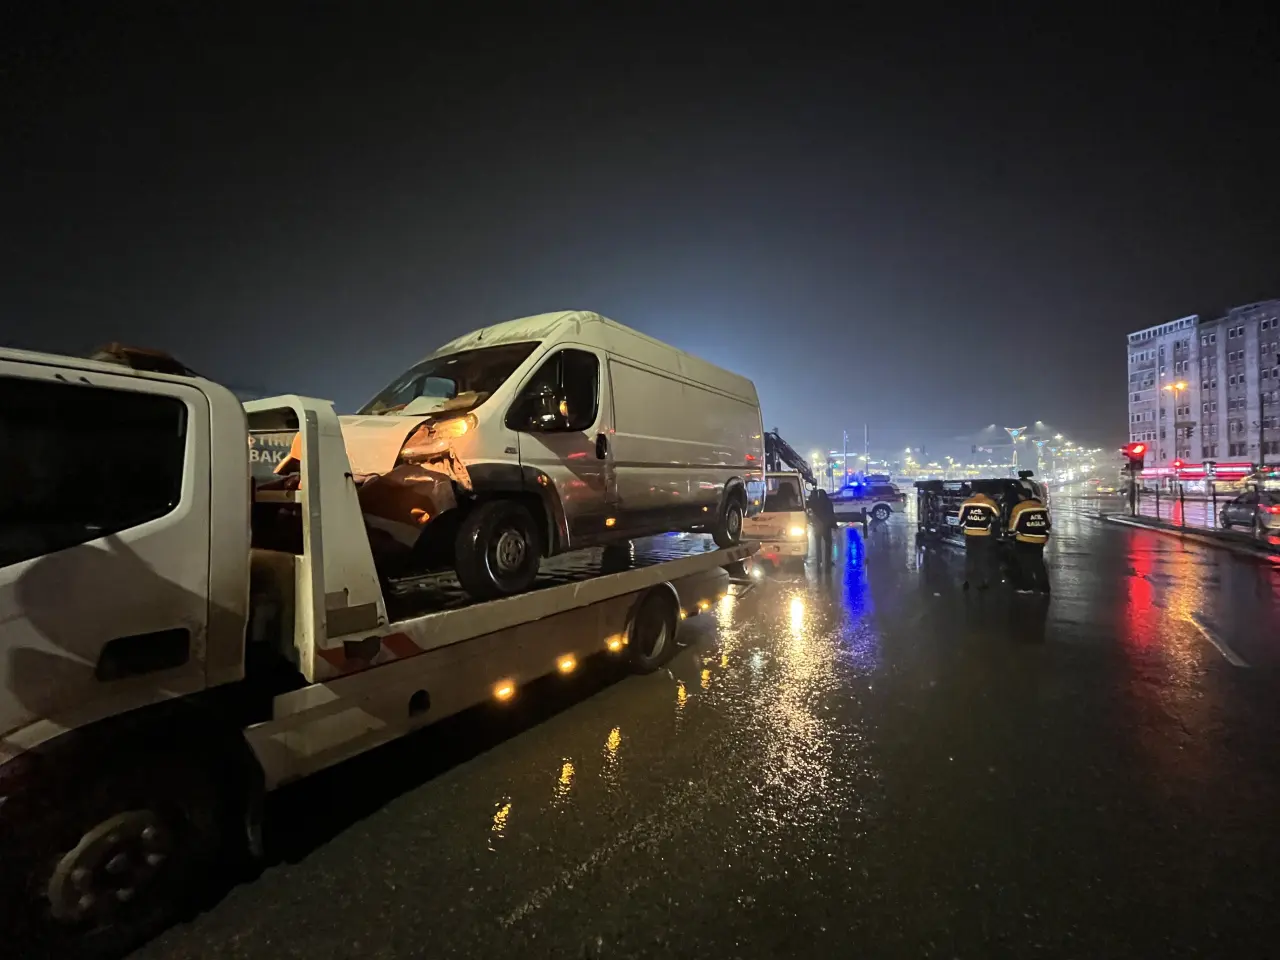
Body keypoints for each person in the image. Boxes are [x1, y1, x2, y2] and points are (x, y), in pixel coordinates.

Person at [1008, 489, 1051, 594]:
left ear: (1022, 496)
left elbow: (1013, 526)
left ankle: (1027, 587)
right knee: (1038, 563)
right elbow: (1048, 523)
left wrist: (1010, 534)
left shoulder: (1019, 508)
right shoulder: (1042, 507)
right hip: (1040, 539)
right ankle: (1044, 588)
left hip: (1024, 539)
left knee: (1025, 564)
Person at [958, 487, 1000, 590]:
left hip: (969, 533)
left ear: (975, 493)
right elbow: (997, 515)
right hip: (984, 534)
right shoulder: (990, 503)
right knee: (982, 557)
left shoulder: (966, 503)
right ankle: (982, 582)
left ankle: (967, 581)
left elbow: (961, 519)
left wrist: (965, 526)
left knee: (970, 556)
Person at [809, 487, 838, 566]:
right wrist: (834, 524)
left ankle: (819, 560)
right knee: (828, 544)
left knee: (818, 544)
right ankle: (828, 560)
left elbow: (810, 505)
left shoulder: (816, 503)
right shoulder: (828, 502)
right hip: (826, 526)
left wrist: (812, 495)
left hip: (818, 527)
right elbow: (831, 514)